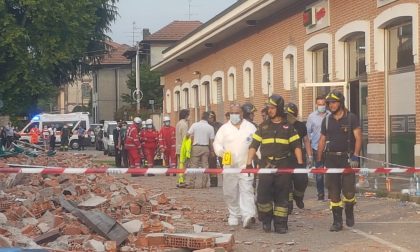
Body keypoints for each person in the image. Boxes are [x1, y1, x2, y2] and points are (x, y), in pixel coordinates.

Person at [246, 94, 304, 234]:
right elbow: (253, 145)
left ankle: (280, 224)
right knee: (263, 196)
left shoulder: (288, 127)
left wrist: (300, 163)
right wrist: (248, 163)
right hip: (266, 165)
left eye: (272, 108)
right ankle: (266, 221)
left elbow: (296, 146)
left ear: (279, 108)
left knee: (282, 196)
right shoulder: (263, 127)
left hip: (284, 165)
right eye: (268, 108)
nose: (269, 110)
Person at [316, 90, 362, 232]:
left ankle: (349, 211)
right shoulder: (327, 120)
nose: (331, 105)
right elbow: (322, 139)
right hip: (331, 159)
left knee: (348, 192)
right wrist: (318, 160)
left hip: (347, 159)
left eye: (334, 102)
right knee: (333, 192)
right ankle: (337, 222)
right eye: (329, 103)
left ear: (340, 103)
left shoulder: (351, 118)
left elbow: (359, 138)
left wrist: (355, 155)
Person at [213, 104, 257, 228]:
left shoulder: (250, 127)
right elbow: (217, 144)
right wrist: (221, 152)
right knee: (230, 191)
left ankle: (248, 215)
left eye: (237, 113)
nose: (234, 115)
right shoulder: (224, 129)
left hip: (246, 164)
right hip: (229, 165)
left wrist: (261, 157)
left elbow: (257, 144)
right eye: (232, 113)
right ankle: (234, 214)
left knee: (247, 189)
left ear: (242, 114)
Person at [284, 102, 313, 213]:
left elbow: (306, 140)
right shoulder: (283, 125)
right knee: (286, 183)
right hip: (285, 158)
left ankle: (299, 197)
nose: (287, 117)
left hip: (298, 158)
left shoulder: (300, 126)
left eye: (289, 115)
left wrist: (310, 156)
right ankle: (289, 204)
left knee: (302, 180)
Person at [306, 95, 330, 200]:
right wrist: (309, 153)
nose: (321, 106)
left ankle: (331, 193)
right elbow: (307, 134)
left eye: (323, 104)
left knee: (330, 172)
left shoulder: (330, 115)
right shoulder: (311, 117)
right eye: (319, 104)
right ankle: (320, 194)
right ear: (316, 105)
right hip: (316, 148)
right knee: (319, 173)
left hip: (329, 148)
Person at [187, 111, 215, 188]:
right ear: (208, 118)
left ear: (201, 117)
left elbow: (187, 134)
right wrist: (212, 151)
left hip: (196, 147)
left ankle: (191, 184)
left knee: (193, 166)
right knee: (205, 166)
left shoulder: (195, 125)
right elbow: (211, 141)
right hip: (206, 148)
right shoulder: (210, 127)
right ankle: (204, 184)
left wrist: (189, 140)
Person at [208, 111, 223, 187]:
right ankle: (213, 181)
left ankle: (226, 180)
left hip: (220, 146)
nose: (211, 118)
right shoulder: (207, 126)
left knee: (223, 163)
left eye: (212, 117)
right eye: (209, 117)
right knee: (212, 165)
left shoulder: (219, 125)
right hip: (211, 147)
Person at [176, 109, 190, 187]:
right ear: (186, 115)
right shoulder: (184, 124)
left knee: (180, 165)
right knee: (183, 165)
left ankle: (180, 180)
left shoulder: (178, 123)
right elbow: (185, 137)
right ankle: (182, 181)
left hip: (178, 147)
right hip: (183, 148)